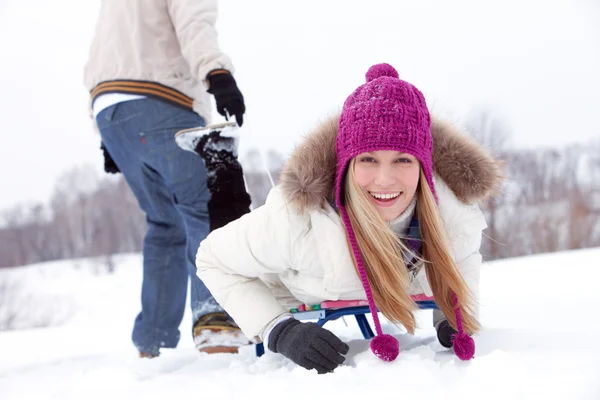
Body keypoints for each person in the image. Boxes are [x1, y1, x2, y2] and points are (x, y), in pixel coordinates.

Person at [195, 63, 504, 373]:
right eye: (368, 159)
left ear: (424, 166)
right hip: (283, 279)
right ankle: (219, 163)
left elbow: (462, 260)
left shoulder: (455, 215)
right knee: (230, 212)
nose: (385, 179)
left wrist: (450, 314)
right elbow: (212, 259)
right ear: (347, 165)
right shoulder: (297, 220)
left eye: (403, 160)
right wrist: (279, 330)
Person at [84, 0, 252, 358]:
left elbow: (99, 52)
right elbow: (195, 25)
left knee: (164, 223)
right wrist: (217, 74)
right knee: (206, 206)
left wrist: (105, 136)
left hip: (109, 111)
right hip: (162, 99)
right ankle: (217, 324)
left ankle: (152, 343)